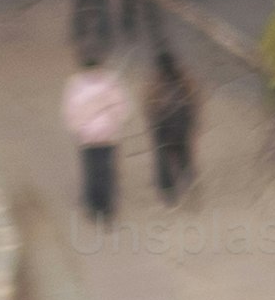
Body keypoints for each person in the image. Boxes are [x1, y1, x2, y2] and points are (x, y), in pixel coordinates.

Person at [64, 55, 131, 227]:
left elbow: (70, 110)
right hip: (107, 137)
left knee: (93, 172)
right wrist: (115, 123)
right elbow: (122, 107)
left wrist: (78, 128)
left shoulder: (76, 85)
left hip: (89, 139)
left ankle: (95, 207)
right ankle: (105, 209)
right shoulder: (110, 82)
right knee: (105, 172)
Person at [145, 41, 200, 208]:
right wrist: (194, 122)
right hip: (182, 126)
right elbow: (195, 101)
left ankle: (169, 194)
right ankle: (189, 185)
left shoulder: (156, 83)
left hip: (162, 127)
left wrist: (152, 123)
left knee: (163, 160)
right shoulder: (184, 79)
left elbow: (149, 106)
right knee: (184, 157)